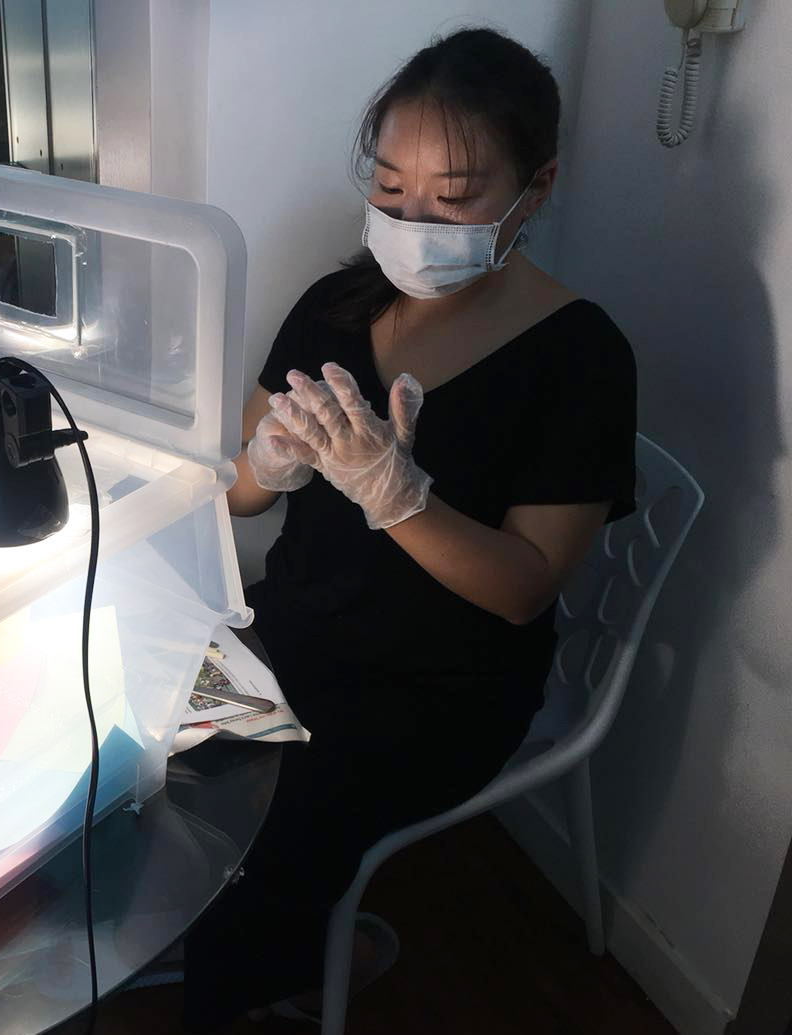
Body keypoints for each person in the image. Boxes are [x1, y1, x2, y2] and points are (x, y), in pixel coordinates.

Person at [181, 27, 637, 1029]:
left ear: (537, 187)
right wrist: (266, 464)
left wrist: (398, 496)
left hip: (439, 688)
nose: (412, 220)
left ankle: (254, 977)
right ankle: (243, 937)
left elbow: (524, 588)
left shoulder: (581, 357)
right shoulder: (335, 305)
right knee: (158, 742)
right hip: (293, 629)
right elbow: (239, 500)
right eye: (391, 188)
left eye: (454, 197)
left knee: (266, 822)